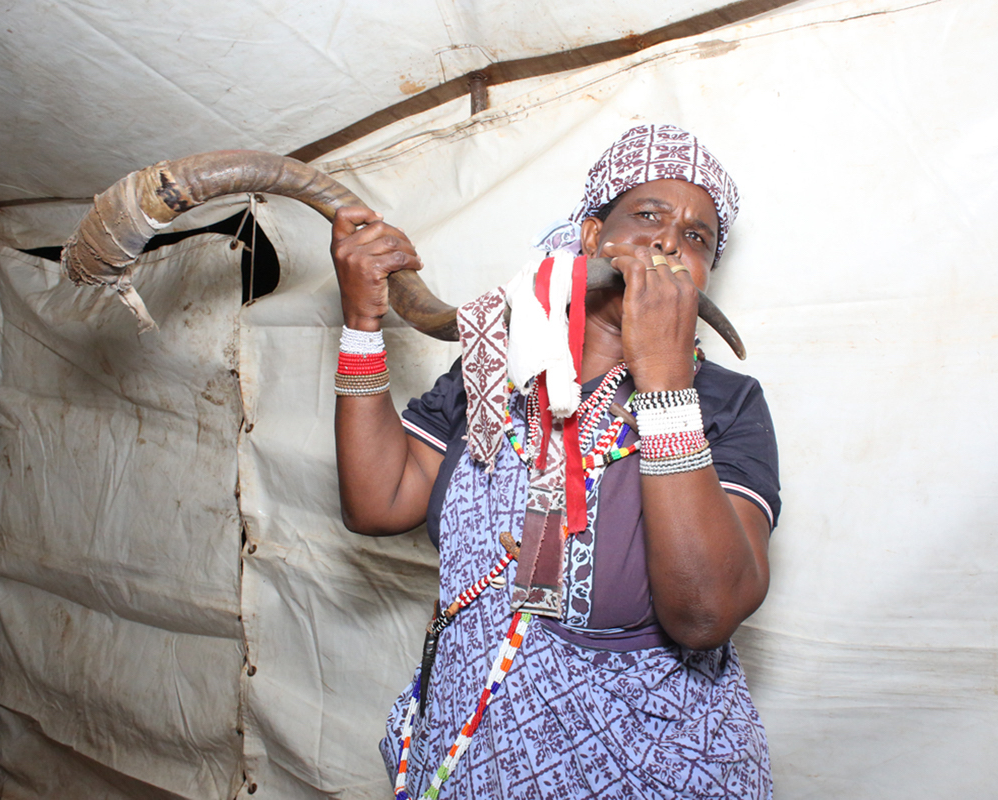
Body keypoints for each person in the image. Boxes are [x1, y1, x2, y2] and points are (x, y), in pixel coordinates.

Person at [329, 125, 780, 799]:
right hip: (471, 752)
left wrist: (660, 376)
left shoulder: (725, 402)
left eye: (696, 238)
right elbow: (377, 501)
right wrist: (363, 323)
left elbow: (704, 615)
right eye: (649, 216)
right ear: (593, 237)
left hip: (642, 766)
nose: (668, 242)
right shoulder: (497, 364)